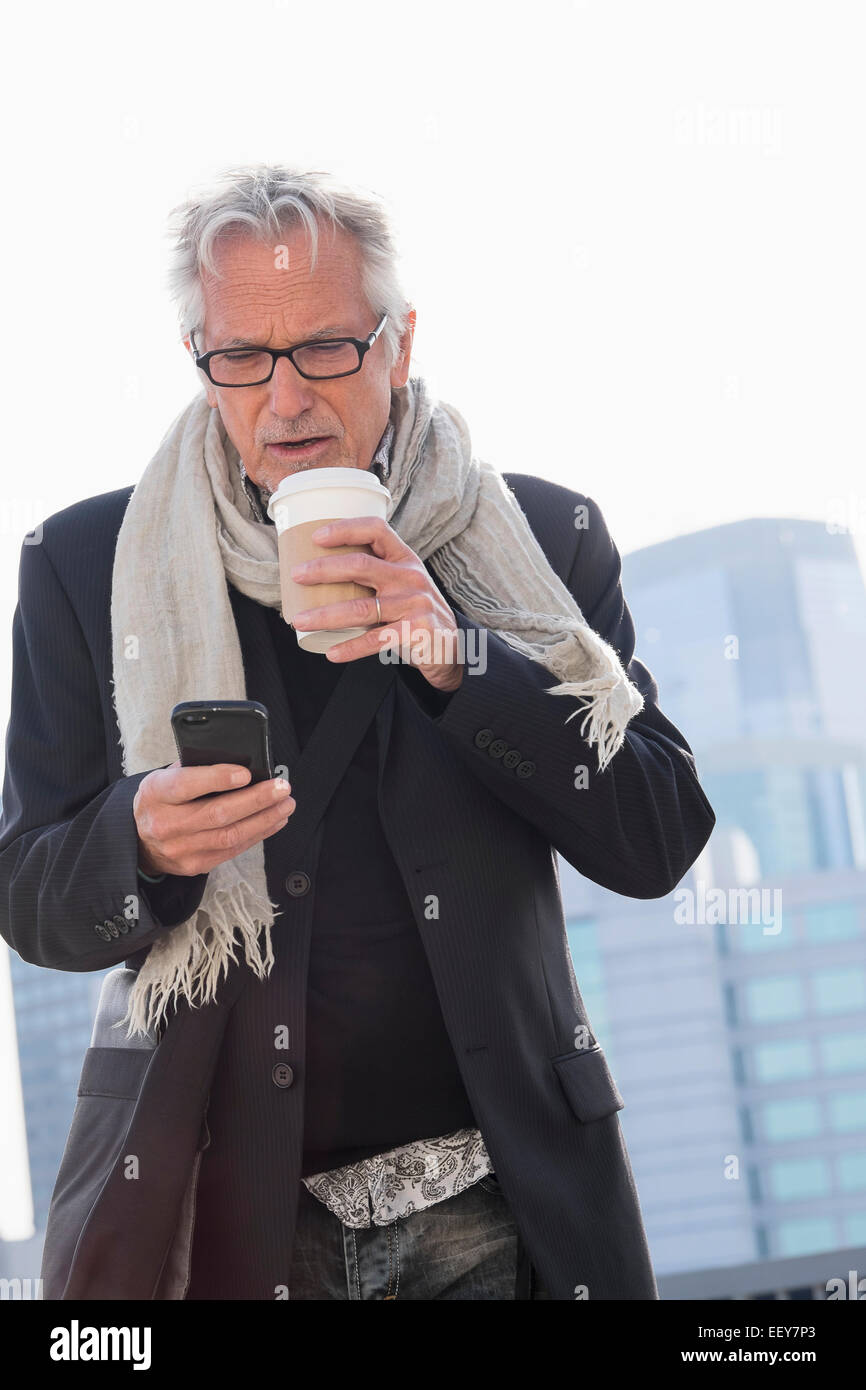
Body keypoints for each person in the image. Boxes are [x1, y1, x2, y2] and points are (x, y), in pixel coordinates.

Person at [0, 164, 715, 1300]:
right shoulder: (90, 566)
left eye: (325, 348)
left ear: (398, 341)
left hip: (504, 1203)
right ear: (201, 358)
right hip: (229, 1213)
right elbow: (29, 893)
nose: (283, 400)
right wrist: (137, 843)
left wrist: (457, 656)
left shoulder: (540, 536)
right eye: (240, 356)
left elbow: (657, 834)